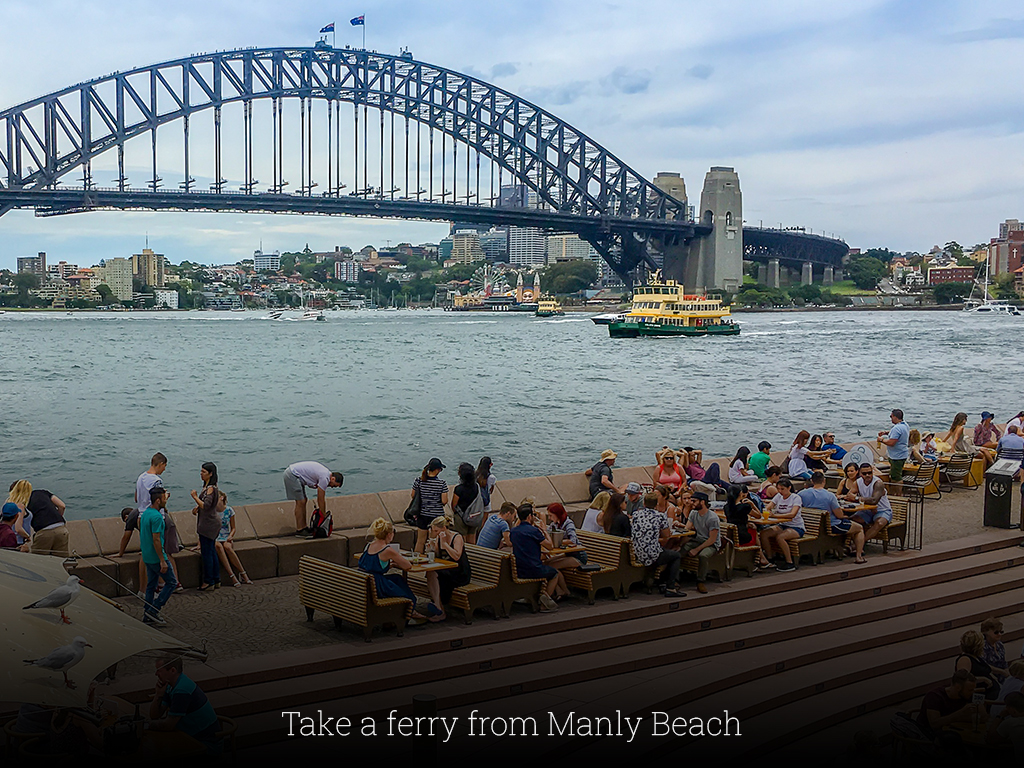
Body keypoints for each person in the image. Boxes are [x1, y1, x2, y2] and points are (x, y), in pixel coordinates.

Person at [359, 518, 431, 621]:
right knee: (407, 596)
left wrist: (389, 565)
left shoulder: (369, 546)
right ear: (389, 534)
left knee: (397, 578)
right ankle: (409, 613)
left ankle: (408, 613)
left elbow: (372, 565)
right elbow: (407, 566)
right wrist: (396, 561)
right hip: (377, 585)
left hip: (365, 581)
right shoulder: (387, 549)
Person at [149, 656, 220, 752]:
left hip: (205, 745)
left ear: (173, 670)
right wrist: (158, 694)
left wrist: (145, 725)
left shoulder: (182, 690)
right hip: (190, 738)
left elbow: (168, 725)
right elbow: (154, 715)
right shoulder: (170, 686)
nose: (156, 674)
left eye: (159, 670)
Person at [801, 470, 867, 564]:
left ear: (812, 481)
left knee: (849, 523)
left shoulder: (802, 493)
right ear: (824, 481)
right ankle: (859, 556)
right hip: (831, 526)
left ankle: (843, 549)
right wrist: (845, 516)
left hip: (811, 526)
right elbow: (839, 515)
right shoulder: (830, 496)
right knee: (859, 528)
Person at [509, 504, 565, 612]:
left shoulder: (513, 531)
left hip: (519, 569)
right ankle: (545, 601)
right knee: (554, 573)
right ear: (529, 516)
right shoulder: (534, 531)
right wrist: (544, 530)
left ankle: (537, 597)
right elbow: (550, 545)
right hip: (534, 569)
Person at [630, 494, 685, 598]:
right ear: (656, 504)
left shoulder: (636, 514)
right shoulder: (660, 516)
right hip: (651, 554)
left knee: (665, 553)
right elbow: (667, 535)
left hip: (636, 551)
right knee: (675, 555)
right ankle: (670, 587)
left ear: (644, 503)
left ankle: (659, 582)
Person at [140, 486, 177, 627]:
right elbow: (156, 539)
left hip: (147, 556)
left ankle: (146, 614)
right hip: (156, 557)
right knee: (172, 582)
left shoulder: (145, 514)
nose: (165, 500)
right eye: (164, 498)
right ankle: (154, 610)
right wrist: (162, 560)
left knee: (151, 585)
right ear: (157, 500)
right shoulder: (156, 517)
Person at [424, 517, 471, 622]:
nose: (435, 533)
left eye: (436, 530)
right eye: (433, 530)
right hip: (446, 568)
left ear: (444, 528)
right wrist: (431, 547)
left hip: (459, 571)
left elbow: (457, 556)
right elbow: (437, 555)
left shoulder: (457, 537)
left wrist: (445, 545)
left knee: (435, 576)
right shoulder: (439, 538)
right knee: (430, 573)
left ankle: (439, 608)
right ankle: (439, 607)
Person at [282, 461, 344, 537]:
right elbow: (320, 499)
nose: (331, 487)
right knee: (300, 502)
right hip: (292, 475)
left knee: (304, 501)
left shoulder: (325, 474)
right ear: (333, 479)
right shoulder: (325, 478)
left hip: (295, 474)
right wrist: (323, 515)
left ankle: (304, 527)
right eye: (333, 485)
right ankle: (300, 529)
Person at [915, 670, 978, 741]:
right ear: (958, 687)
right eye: (970, 690)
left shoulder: (966, 694)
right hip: (930, 737)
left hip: (956, 732)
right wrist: (961, 713)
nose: (973, 692)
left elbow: (982, 717)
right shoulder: (935, 696)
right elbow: (934, 724)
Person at [723, 484, 772, 569]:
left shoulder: (726, 507)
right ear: (740, 493)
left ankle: (761, 558)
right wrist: (752, 504)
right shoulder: (744, 506)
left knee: (751, 528)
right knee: (754, 531)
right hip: (743, 537)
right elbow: (758, 516)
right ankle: (762, 557)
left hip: (732, 536)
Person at [17, 481, 70, 558]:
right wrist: (58, 518)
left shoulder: (22, 502)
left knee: (38, 561)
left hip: (44, 531)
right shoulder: (42, 492)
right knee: (61, 561)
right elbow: (62, 505)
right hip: (61, 529)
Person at [761, 478, 804, 572]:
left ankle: (789, 562)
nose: (780, 491)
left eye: (782, 489)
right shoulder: (778, 497)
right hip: (782, 525)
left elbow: (792, 515)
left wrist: (775, 515)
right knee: (764, 534)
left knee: (780, 537)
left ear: (789, 488)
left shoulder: (795, 498)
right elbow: (768, 507)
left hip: (796, 526)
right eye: (778, 489)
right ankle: (770, 558)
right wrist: (767, 511)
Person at [681, 492, 721, 594]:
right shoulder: (693, 513)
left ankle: (700, 581)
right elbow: (687, 529)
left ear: (702, 502)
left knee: (703, 555)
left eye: (694, 501)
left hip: (711, 544)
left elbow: (712, 540)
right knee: (680, 551)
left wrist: (696, 550)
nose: (691, 503)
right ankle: (675, 579)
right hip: (698, 540)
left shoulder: (712, 518)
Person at [190, 462, 221, 591]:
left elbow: (207, 505)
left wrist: (195, 497)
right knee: (211, 551)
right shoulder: (209, 487)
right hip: (209, 522)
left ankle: (208, 581)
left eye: (204, 472)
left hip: (208, 524)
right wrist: (198, 507)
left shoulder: (211, 488)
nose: (201, 474)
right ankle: (216, 578)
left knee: (207, 553)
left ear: (210, 474)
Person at [844, 464, 893, 543]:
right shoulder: (857, 482)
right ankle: (853, 544)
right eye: (864, 474)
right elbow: (849, 496)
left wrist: (857, 498)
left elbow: (874, 500)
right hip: (867, 510)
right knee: (852, 521)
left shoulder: (878, 483)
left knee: (879, 523)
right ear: (860, 474)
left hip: (882, 510)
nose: (867, 475)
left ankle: (859, 544)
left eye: (870, 473)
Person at [214, 492, 252, 587]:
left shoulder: (229, 510)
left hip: (226, 536)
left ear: (222, 498)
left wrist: (230, 536)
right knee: (218, 546)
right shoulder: (212, 511)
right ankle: (232, 576)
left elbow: (233, 527)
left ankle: (243, 573)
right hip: (215, 536)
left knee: (227, 547)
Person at [411, 458, 449, 553]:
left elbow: (413, 495)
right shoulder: (441, 483)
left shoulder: (419, 481)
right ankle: (432, 562)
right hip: (437, 516)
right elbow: (444, 501)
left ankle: (417, 561)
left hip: (422, 514)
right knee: (433, 541)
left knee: (420, 541)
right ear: (437, 470)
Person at [545, 502, 587, 571]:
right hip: (568, 554)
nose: (549, 518)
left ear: (557, 514)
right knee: (546, 563)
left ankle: (559, 582)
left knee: (551, 566)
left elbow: (573, 540)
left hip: (578, 556)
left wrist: (558, 542)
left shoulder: (568, 523)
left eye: (551, 515)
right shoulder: (554, 524)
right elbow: (546, 534)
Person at [956, 630, 999, 695]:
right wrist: (984, 679)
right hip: (979, 695)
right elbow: (963, 679)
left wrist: (1002, 672)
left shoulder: (976, 657)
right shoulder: (965, 659)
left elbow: (985, 667)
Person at [450, 462, 483, 544]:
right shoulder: (476, 486)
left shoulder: (459, 489)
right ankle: (472, 555)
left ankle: (463, 554)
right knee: (472, 537)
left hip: (461, 516)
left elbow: (454, 505)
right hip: (474, 515)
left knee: (461, 538)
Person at [877, 409, 910, 483]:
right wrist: (886, 433)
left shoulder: (896, 428)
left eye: (891, 416)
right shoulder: (904, 425)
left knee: (896, 477)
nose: (890, 418)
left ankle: (897, 493)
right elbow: (897, 433)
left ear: (895, 417)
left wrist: (881, 440)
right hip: (902, 454)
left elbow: (891, 442)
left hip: (897, 456)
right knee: (896, 474)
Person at [988, 691, 1024, 758]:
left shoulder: (1011, 723)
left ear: (1012, 709)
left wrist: (1000, 716)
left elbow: (991, 739)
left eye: (1007, 706)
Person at [981, 617, 1010, 682]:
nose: (999, 634)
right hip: (990, 679)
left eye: (1001, 632)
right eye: (996, 632)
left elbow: (1004, 662)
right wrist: (1002, 672)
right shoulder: (982, 647)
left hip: (1002, 678)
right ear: (986, 632)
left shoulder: (999, 644)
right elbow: (984, 666)